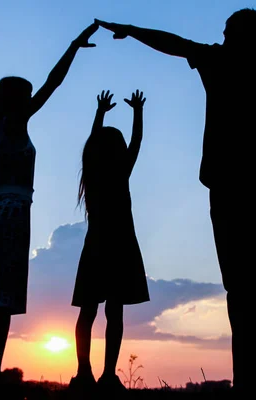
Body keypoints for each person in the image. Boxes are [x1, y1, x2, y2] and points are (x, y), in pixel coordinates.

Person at [95, 8, 256, 391]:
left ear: (245, 35)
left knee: (254, 291)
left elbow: (174, 44)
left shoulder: (228, 63)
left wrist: (131, 30)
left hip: (239, 197)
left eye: (228, 32)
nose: (223, 37)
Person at [0, 22, 99, 395]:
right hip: (10, 212)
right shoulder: (12, 122)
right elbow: (52, 84)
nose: (31, 100)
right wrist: (74, 46)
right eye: (25, 95)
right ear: (14, 99)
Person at [69, 89, 150, 394]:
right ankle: (106, 375)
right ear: (118, 149)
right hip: (121, 245)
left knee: (88, 310)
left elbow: (92, 143)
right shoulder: (121, 171)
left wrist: (101, 112)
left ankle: (84, 372)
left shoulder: (93, 170)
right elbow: (137, 142)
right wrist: (138, 112)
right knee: (114, 311)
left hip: (97, 245)